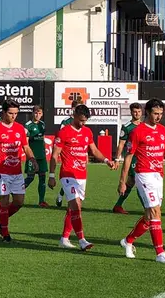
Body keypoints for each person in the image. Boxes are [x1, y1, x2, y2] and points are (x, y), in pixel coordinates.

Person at [118, 98, 165, 264]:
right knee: (155, 212)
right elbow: (128, 157)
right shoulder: (137, 131)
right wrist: (122, 181)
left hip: (158, 175)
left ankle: (128, 241)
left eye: (161, 114)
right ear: (147, 112)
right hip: (143, 175)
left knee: (150, 217)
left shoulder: (162, 130)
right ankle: (160, 253)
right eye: (156, 113)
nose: (158, 117)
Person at [49, 104, 117, 250]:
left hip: (81, 176)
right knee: (76, 206)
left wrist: (106, 160)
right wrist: (51, 175)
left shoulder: (87, 132)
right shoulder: (64, 132)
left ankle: (64, 238)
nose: (82, 123)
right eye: (80, 120)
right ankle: (82, 240)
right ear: (74, 116)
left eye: (85, 121)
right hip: (67, 174)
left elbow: (94, 150)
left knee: (72, 208)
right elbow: (55, 155)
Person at [0, 100, 39, 242]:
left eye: (16, 113)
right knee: (4, 201)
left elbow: (26, 147)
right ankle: (5, 232)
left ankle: (0, 220)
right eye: (11, 113)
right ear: (4, 112)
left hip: (16, 171)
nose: (13, 116)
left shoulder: (20, 129)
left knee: (19, 202)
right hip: (1, 170)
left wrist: (33, 159)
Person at [112, 102, 143, 214]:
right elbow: (121, 144)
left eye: (139, 111)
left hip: (143, 158)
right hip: (132, 158)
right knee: (138, 180)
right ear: (131, 112)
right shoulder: (127, 127)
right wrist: (117, 159)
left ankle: (118, 205)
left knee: (130, 183)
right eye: (135, 111)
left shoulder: (144, 126)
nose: (137, 113)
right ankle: (147, 208)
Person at [56, 98, 83, 207]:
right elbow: (60, 137)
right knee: (69, 176)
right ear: (73, 109)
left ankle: (61, 194)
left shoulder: (81, 121)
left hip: (78, 153)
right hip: (67, 154)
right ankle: (68, 200)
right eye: (77, 108)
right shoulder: (65, 122)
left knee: (75, 177)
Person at [24, 106, 48, 207]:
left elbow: (43, 139)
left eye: (39, 113)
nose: (37, 115)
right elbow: (25, 142)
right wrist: (29, 156)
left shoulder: (42, 125)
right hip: (32, 156)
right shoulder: (28, 125)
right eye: (35, 113)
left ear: (42, 114)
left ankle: (41, 201)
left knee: (42, 178)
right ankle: (15, 193)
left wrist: (44, 150)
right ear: (32, 113)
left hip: (41, 156)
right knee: (30, 178)